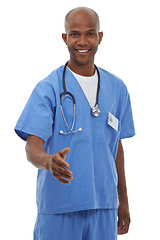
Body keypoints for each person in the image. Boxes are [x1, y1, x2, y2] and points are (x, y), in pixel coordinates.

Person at [15, 7, 135, 240]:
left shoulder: (117, 88)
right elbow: (32, 148)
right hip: (60, 205)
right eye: (75, 34)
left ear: (100, 37)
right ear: (65, 38)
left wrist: (123, 201)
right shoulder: (48, 88)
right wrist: (49, 161)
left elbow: (116, 147)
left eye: (90, 34)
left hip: (104, 205)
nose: (82, 41)